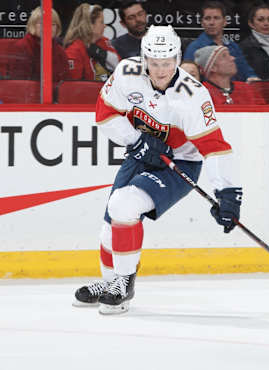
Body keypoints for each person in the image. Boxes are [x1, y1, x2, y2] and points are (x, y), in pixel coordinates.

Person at [72, 25, 242, 314]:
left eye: (167, 63)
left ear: (176, 58)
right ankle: (111, 281)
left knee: (123, 205)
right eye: (154, 63)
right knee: (109, 227)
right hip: (141, 155)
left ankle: (124, 284)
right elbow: (105, 112)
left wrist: (227, 193)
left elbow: (212, 146)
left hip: (179, 165)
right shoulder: (127, 73)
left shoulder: (193, 96)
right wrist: (136, 141)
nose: (161, 70)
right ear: (144, 58)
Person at [184, 1, 259, 82]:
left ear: (225, 21)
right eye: (207, 18)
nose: (212, 23)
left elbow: (246, 72)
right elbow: (187, 80)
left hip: (234, 92)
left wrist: (252, 78)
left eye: (216, 18)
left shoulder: (233, 47)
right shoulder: (194, 48)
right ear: (202, 23)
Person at [7, 6, 69, 82]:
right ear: (33, 25)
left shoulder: (60, 51)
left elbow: (66, 83)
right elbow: (19, 84)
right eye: (42, 23)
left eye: (53, 24)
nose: (47, 27)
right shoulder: (22, 47)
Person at [64, 3, 121, 81]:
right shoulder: (74, 50)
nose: (104, 25)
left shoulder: (103, 41)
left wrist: (103, 54)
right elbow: (74, 85)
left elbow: (120, 67)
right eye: (101, 22)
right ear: (90, 25)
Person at [194, 45, 266, 105]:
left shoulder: (247, 89)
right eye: (224, 56)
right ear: (213, 68)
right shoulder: (202, 92)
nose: (232, 58)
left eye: (230, 55)